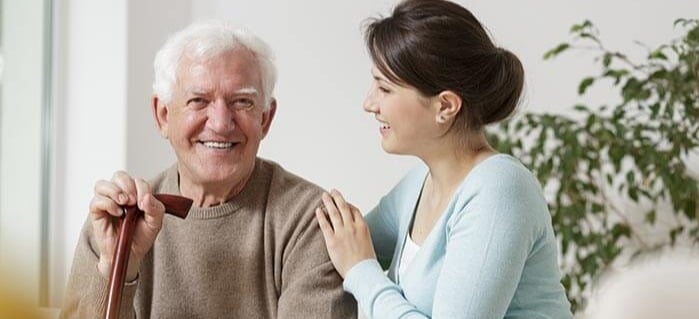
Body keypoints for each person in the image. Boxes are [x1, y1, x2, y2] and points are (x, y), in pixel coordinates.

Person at [60, 21, 356, 318]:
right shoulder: (118, 220)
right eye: (198, 101)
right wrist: (117, 268)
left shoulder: (312, 221)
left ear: (265, 119)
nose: (220, 122)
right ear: (163, 115)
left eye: (242, 102)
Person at [315, 0, 573, 318]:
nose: (369, 103)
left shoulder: (500, 189)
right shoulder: (417, 187)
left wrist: (362, 273)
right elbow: (336, 246)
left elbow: (355, 261)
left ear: (445, 106)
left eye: (384, 88)